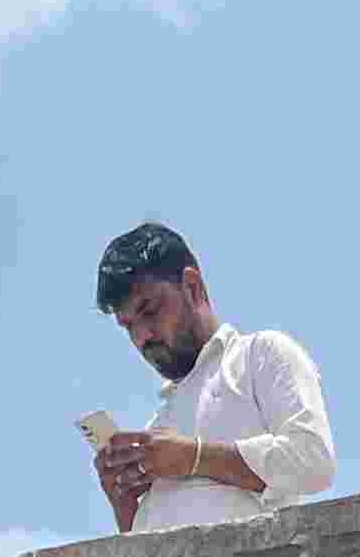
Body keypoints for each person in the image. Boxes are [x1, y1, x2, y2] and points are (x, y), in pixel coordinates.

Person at [90, 222, 335, 535]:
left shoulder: (261, 355)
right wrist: (123, 503)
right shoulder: (160, 422)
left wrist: (194, 457)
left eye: (149, 311)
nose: (142, 337)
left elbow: (314, 461)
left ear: (192, 287)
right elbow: (146, 555)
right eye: (128, 326)